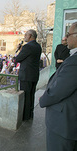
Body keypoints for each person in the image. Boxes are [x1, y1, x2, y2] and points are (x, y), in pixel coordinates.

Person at [39, 22, 77, 151]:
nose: (66, 38)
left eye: (68, 34)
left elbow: (59, 90)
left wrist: (42, 100)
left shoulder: (74, 62)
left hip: (63, 125)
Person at [15, 29, 42, 121]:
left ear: (30, 35)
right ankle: (30, 114)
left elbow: (17, 59)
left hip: (26, 75)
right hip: (34, 75)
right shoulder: (38, 46)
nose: (24, 37)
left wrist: (19, 50)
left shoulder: (27, 47)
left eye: (26, 35)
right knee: (31, 95)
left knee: (26, 96)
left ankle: (25, 117)